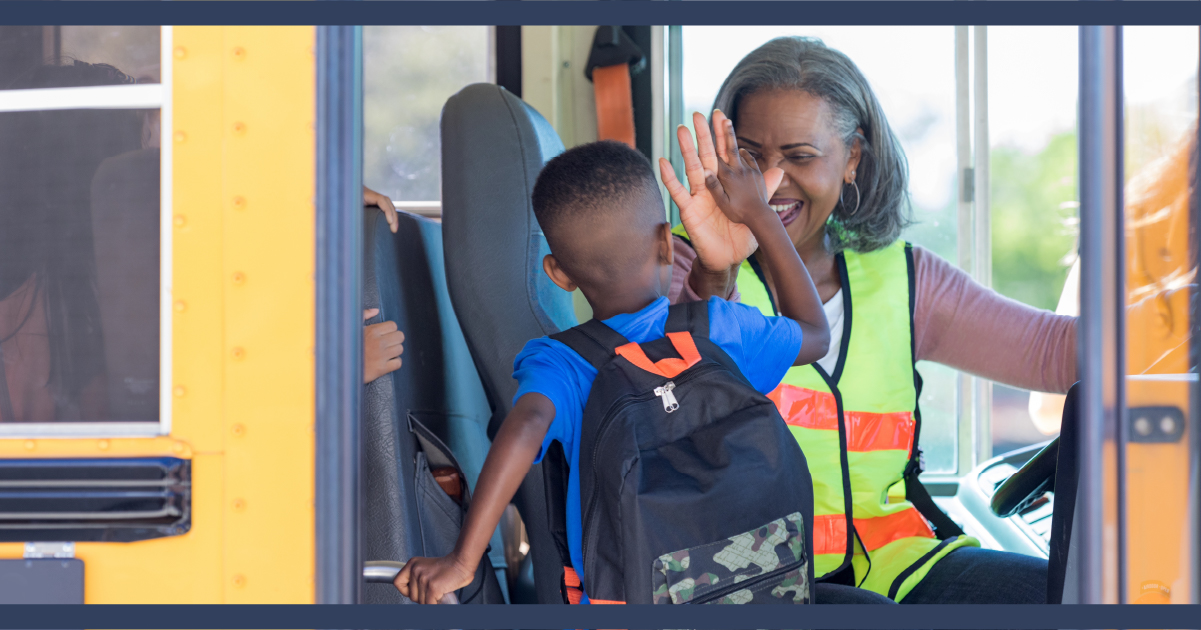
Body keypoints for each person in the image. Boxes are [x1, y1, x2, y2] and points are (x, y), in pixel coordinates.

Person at [660, 37, 1073, 604]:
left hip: (895, 566)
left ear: (852, 158)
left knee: (1078, 596)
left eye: (800, 156)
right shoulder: (680, 263)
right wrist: (715, 275)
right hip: (741, 580)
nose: (771, 184)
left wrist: (1173, 313)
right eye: (751, 158)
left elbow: (1054, 352)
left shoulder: (904, 279)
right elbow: (661, 371)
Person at [393, 139, 830, 604]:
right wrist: (761, 216)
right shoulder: (721, 328)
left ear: (557, 274)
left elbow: (525, 427)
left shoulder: (561, 361)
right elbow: (814, 334)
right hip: (760, 591)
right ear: (667, 243)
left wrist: (461, 561)